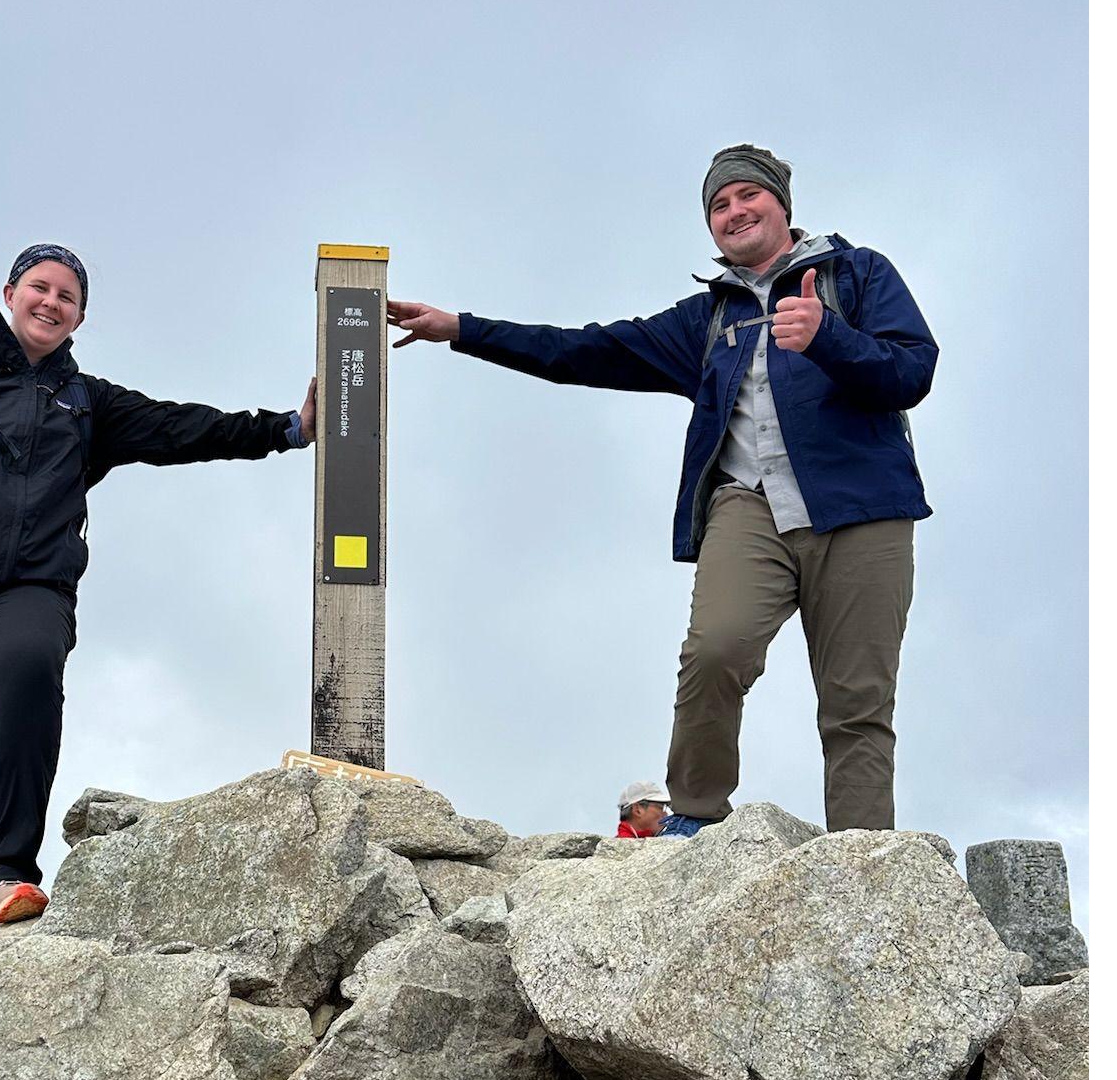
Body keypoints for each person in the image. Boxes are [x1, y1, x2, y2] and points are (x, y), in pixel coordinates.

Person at [388, 145, 936, 836]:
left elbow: (913, 369)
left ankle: (861, 858)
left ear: (782, 204)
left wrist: (831, 340)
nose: (734, 212)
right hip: (749, 504)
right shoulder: (705, 319)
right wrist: (460, 330)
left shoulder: (857, 275)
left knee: (856, 700)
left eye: (747, 196)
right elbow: (583, 351)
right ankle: (697, 818)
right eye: (718, 205)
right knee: (714, 652)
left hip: (862, 508)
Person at [0, 244, 316, 928]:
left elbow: (179, 427)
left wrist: (288, 429)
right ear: (9, 293)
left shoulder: (85, 404)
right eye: (39, 287)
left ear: (79, 319)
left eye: (66, 297)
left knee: (31, 667)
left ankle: (5, 876)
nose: (50, 302)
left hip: (25, 585)